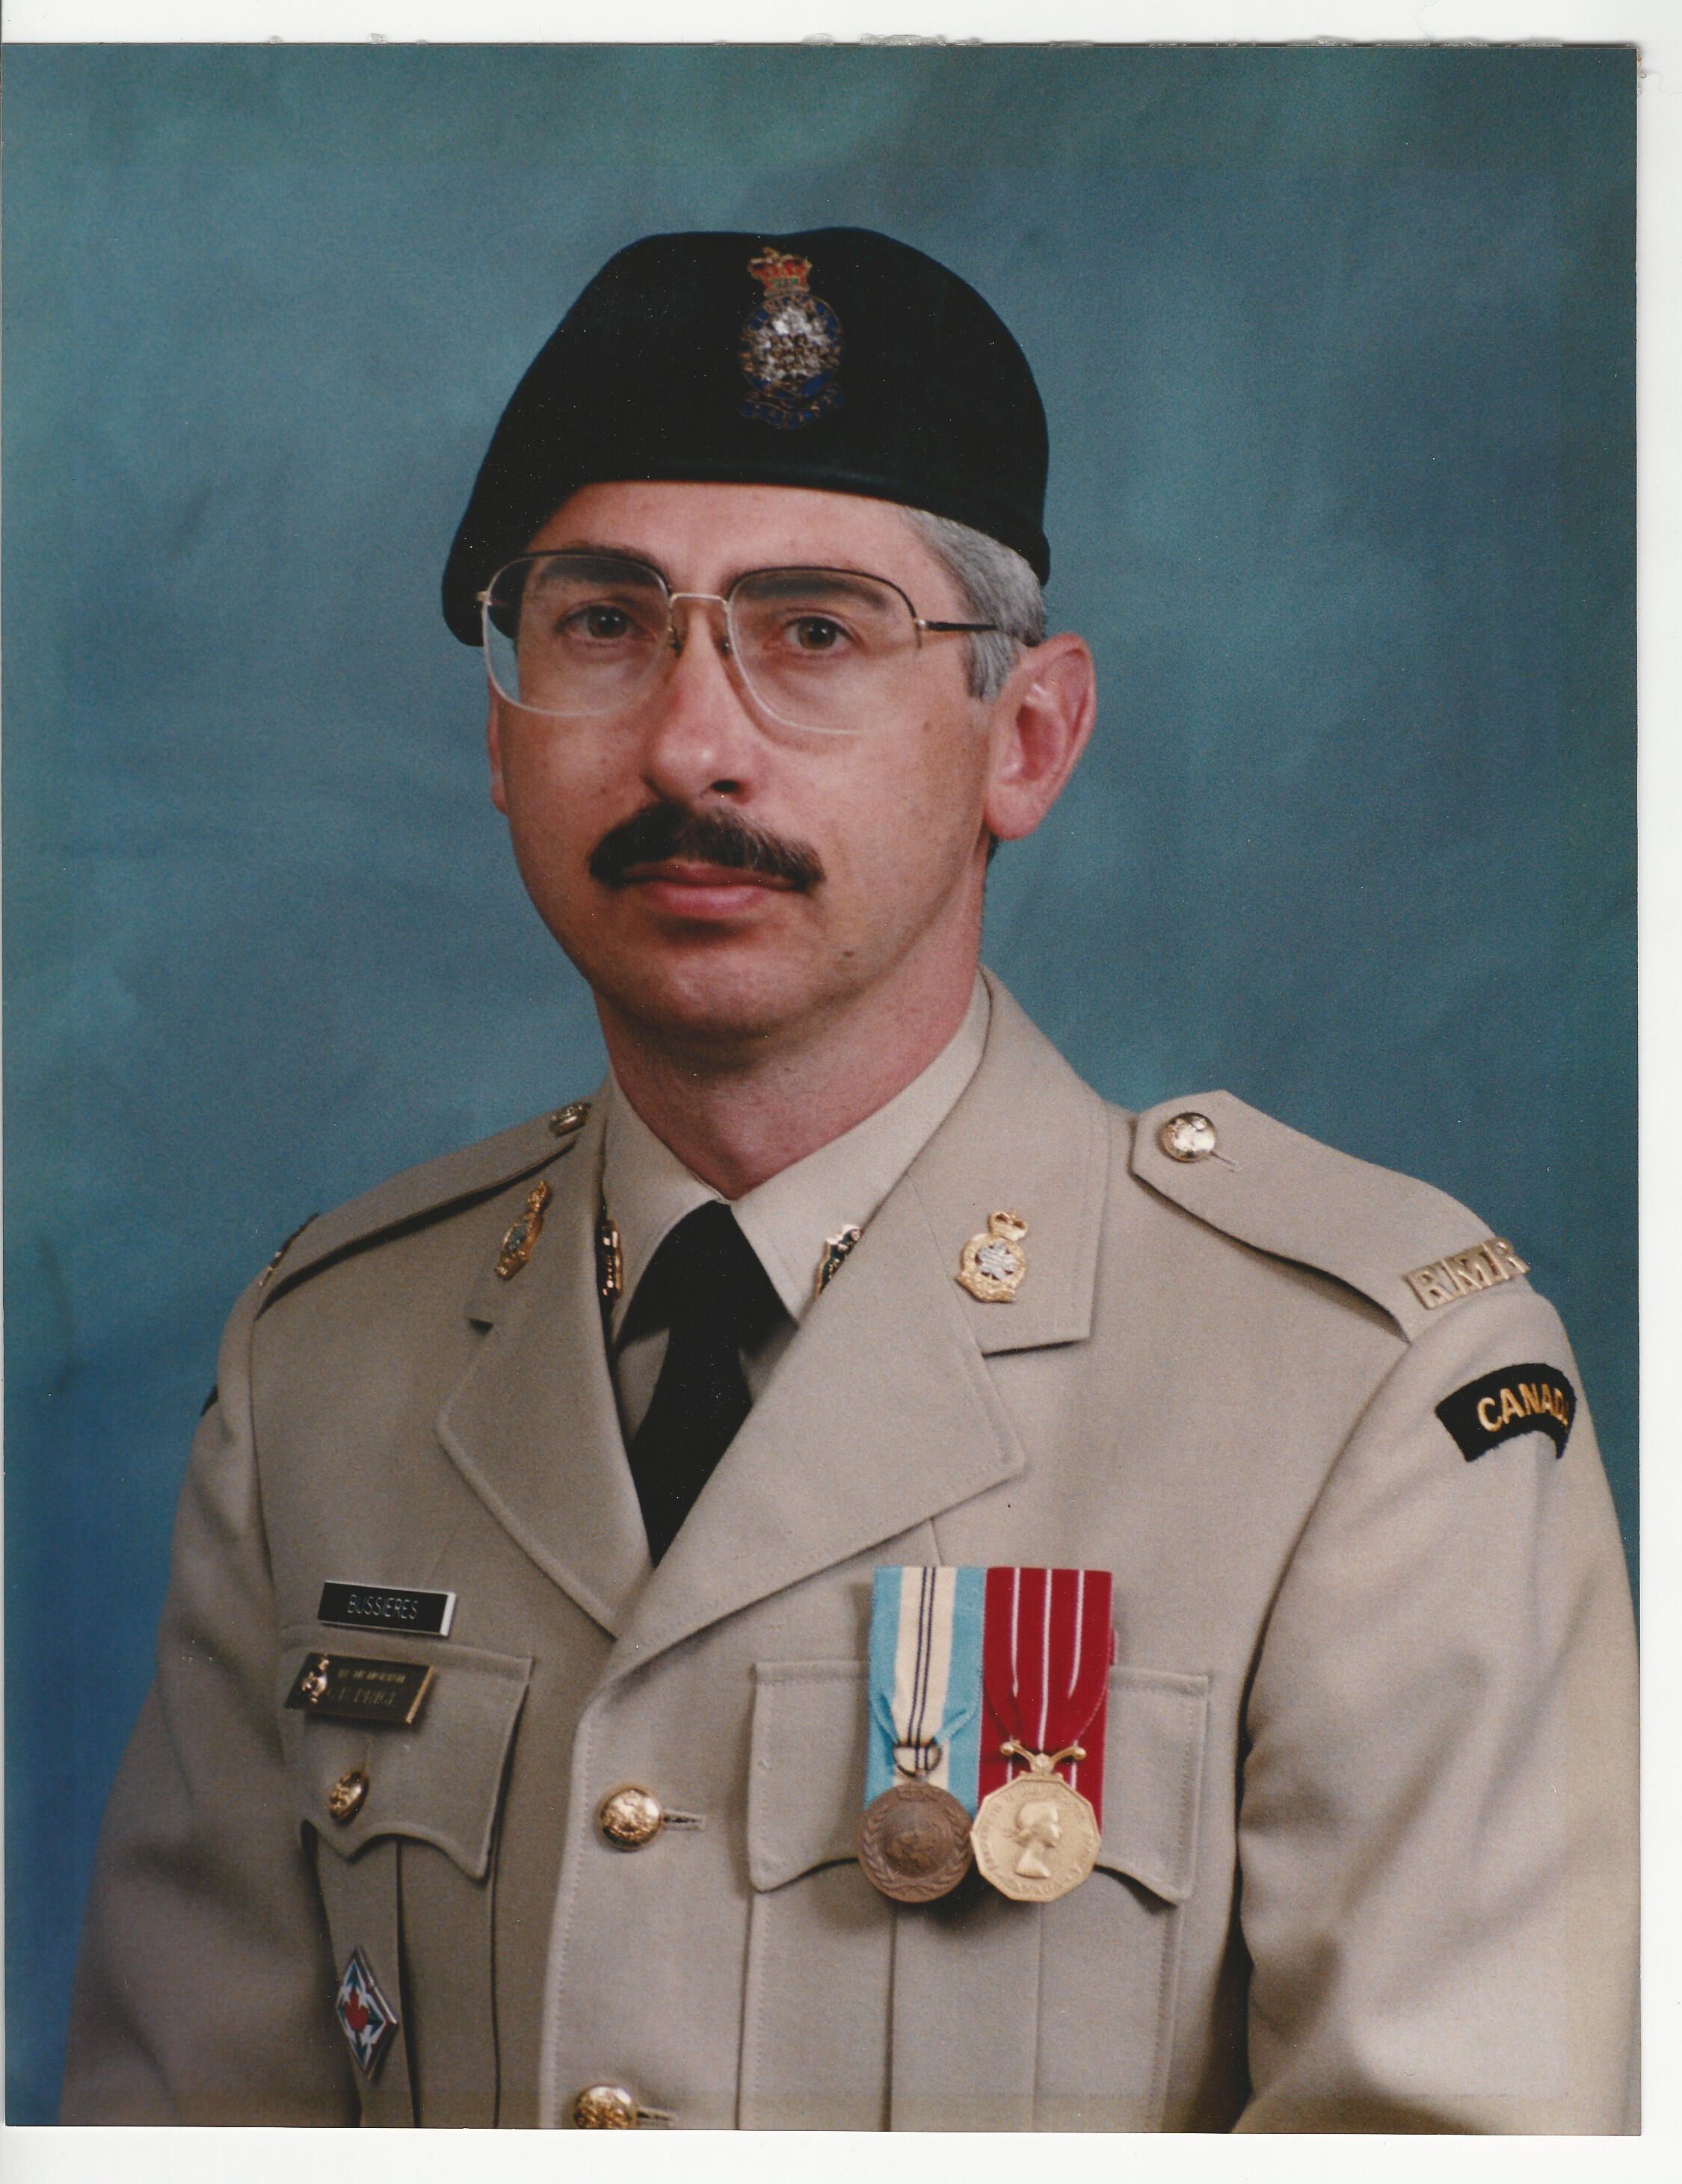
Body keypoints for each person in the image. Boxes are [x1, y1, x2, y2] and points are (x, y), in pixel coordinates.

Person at [61, 227, 1637, 2132]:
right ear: (500, 729)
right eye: (603, 622)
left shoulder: (1360, 1394)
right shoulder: (329, 1364)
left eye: (815, 631)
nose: (691, 741)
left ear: (1027, 739)